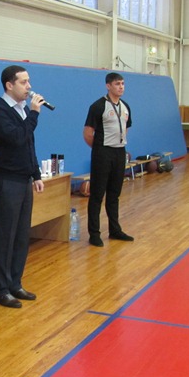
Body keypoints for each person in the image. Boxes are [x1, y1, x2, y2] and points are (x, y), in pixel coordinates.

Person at [0, 65, 46, 309]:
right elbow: (17, 138)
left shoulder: (23, 110)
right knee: (5, 236)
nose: (29, 87)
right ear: (9, 85)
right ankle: (1, 289)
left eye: (28, 81)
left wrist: (36, 173)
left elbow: (28, 145)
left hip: (23, 180)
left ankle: (15, 283)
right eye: (23, 82)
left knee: (22, 235)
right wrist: (34, 114)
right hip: (6, 181)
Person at [83, 72, 134, 247]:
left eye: (123, 84)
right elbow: (87, 133)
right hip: (102, 153)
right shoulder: (98, 106)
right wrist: (100, 149)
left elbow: (126, 128)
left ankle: (115, 230)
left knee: (114, 194)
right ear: (108, 86)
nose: (121, 87)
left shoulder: (125, 106)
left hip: (119, 152)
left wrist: (119, 144)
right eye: (117, 84)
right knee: (97, 195)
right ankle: (94, 233)